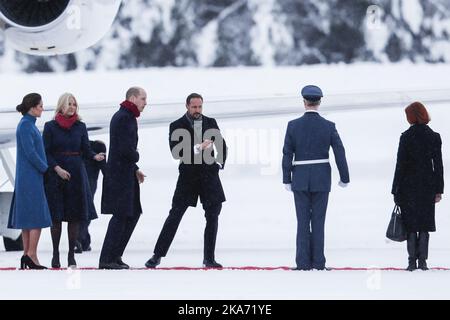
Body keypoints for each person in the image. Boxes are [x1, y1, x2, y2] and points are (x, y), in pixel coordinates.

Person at [145, 93, 227, 269]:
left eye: (200, 107)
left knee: (213, 217)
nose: (197, 110)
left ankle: (209, 259)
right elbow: (176, 152)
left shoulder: (210, 122)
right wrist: (199, 147)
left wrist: (218, 163)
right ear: (187, 106)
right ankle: (157, 255)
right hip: (188, 177)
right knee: (175, 215)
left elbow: (221, 144)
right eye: (194, 107)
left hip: (209, 177)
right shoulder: (176, 126)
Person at [282, 85, 349, 271]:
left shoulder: (293, 125)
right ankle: (318, 262)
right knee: (318, 221)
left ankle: (303, 262)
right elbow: (339, 152)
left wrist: (286, 178)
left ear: (304, 102)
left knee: (302, 221)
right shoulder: (329, 126)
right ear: (319, 102)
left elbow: (287, 153)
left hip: (301, 178)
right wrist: (345, 177)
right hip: (321, 178)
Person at [43, 93, 105, 268]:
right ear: (61, 106)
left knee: (75, 216)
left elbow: (85, 149)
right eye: (69, 104)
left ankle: (71, 254)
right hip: (56, 173)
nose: (72, 107)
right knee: (56, 217)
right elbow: (46, 152)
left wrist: (95, 156)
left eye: (74, 104)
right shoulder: (50, 127)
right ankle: (56, 254)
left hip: (76, 173)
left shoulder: (80, 126)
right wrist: (57, 169)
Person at [99, 87, 147, 269]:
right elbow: (124, 149)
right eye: (143, 98)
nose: (145, 103)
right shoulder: (124, 118)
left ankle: (115, 256)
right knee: (121, 216)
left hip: (125, 172)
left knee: (132, 213)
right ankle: (107, 259)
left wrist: (135, 168)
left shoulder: (127, 116)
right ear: (133, 98)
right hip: (119, 175)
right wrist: (136, 157)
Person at [392, 102, 444, 271]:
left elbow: (400, 165)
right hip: (427, 186)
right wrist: (439, 189)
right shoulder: (434, 136)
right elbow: (438, 166)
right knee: (424, 225)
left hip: (408, 186)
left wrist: (395, 189)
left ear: (411, 117)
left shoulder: (406, 137)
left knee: (411, 225)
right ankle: (423, 261)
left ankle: (411, 261)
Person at [8, 93, 52, 269]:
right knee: (36, 218)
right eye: (40, 106)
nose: (42, 108)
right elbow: (30, 153)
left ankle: (27, 254)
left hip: (28, 176)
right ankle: (32, 255)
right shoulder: (26, 126)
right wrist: (45, 168)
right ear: (32, 107)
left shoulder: (27, 125)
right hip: (30, 177)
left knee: (28, 218)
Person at [75, 140, 107, 253]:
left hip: (75, 179)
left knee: (79, 210)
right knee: (86, 210)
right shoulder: (98, 146)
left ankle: (81, 239)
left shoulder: (74, 143)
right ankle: (80, 239)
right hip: (89, 182)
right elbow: (105, 170)